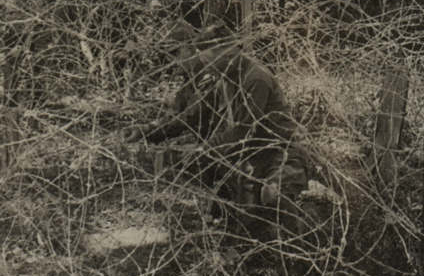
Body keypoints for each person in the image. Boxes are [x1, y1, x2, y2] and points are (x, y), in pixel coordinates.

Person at [124, 19, 311, 238]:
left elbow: (240, 132)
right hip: (254, 153)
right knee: (248, 225)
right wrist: (147, 130)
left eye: (212, 63)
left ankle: (306, 230)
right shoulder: (224, 77)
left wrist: (202, 151)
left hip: (284, 151)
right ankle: (248, 226)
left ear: (229, 52)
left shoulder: (256, 79)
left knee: (271, 196)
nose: (210, 69)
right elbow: (192, 115)